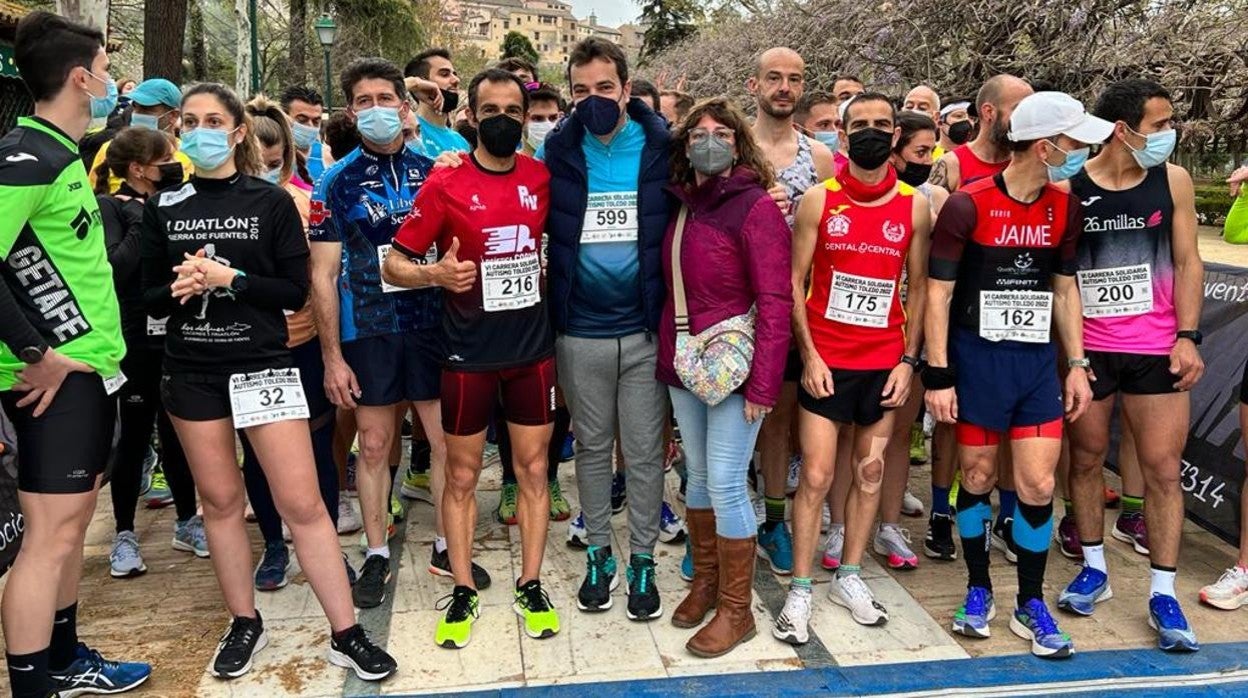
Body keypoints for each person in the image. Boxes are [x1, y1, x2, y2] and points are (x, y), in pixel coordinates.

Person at [140, 81, 396, 681]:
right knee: (222, 502)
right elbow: (148, 295)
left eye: (213, 120)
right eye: (190, 121)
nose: (200, 131)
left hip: (263, 365)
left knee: (304, 502)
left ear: (235, 133)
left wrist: (229, 279)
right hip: (192, 372)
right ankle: (244, 620)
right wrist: (181, 290)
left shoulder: (271, 201)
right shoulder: (165, 206)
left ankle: (345, 631)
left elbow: (294, 289)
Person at [924, 91, 1109, 658]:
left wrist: (1076, 364)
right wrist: (938, 375)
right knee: (976, 477)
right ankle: (978, 590)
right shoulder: (968, 204)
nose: (1081, 151)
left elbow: (1064, 288)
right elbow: (938, 293)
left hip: (1034, 368)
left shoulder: (1065, 206)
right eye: (1074, 141)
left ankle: (1031, 602)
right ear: (1044, 144)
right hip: (977, 363)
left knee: (1036, 485)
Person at [0, 13, 150, 698]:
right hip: (52, 380)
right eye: (103, 64)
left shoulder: (58, 153)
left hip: (87, 371)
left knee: (69, 529)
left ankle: (63, 658)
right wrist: (37, 350)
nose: (110, 78)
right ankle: (33, 683)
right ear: (80, 77)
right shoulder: (27, 157)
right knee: (48, 541)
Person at [386, 67, 561, 648]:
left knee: (534, 471)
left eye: (515, 111)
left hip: (532, 352)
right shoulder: (447, 183)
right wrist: (435, 273)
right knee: (461, 476)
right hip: (467, 353)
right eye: (492, 111)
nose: (505, 121)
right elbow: (394, 263)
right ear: (472, 117)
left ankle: (530, 582)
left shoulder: (541, 176)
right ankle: (461, 587)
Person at [310, 58, 490, 608]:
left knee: (441, 441)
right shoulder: (333, 183)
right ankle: (376, 552)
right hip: (370, 327)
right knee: (377, 445)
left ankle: (443, 543)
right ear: (350, 112)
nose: (375, 111)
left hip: (435, 324)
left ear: (405, 107)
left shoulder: (440, 167)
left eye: (384, 100)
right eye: (362, 103)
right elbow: (322, 275)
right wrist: (332, 358)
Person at [775, 93, 931, 641]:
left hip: (884, 362)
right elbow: (793, 283)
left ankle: (850, 574)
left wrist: (910, 361)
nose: (870, 132)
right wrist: (810, 354)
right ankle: (798, 588)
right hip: (827, 361)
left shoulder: (915, 205)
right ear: (841, 138)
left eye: (880, 125)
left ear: (894, 136)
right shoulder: (819, 200)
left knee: (869, 473)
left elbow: (919, 288)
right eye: (857, 125)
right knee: (816, 476)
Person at [1061, 79, 1203, 652]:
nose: (1170, 133)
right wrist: (1069, 356)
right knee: (1088, 459)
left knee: (1163, 470)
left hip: (1155, 348)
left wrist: (1188, 336)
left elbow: (1190, 261)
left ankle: (1163, 591)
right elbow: (1061, 276)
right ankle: (1094, 567)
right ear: (1124, 129)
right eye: (1162, 122)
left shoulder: (1173, 180)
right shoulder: (1069, 184)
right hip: (1090, 352)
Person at [534, 37, 672, 619]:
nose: (594, 99)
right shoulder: (557, 149)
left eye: (605, 88)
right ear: (570, 93)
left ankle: (642, 558)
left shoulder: (663, 144)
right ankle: (599, 554)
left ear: (626, 88)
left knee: (642, 453)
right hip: (580, 329)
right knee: (591, 449)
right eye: (581, 90)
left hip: (644, 327)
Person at [660, 96, 791, 656]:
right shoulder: (679, 203)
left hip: (736, 368)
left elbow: (777, 299)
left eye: (721, 133)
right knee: (697, 478)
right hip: (685, 364)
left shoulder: (756, 206)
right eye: (697, 134)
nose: (708, 141)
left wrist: (764, 385)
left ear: (738, 144)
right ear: (684, 145)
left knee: (727, 479)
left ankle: (738, 609)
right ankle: (707, 582)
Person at [240, 96, 358, 592]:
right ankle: (273, 545)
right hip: (249, 351)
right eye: (256, 162)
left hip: (304, 343)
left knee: (318, 447)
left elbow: (323, 278)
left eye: (275, 163)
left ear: (287, 157)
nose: (266, 171)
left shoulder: (308, 204)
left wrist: (332, 354)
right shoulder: (223, 208)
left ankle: (325, 546)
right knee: (259, 456)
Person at [94, 127, 205, 579]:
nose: (174, 163)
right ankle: (123, 533)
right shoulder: (110, 209)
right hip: (133, 335)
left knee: (177, 432)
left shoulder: (172, 205)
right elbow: (115, 267)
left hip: (173, 332)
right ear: (139, 168)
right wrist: (143, 217)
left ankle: (186, 520)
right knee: (135, 436)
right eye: (165, 158)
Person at [748, 47, 837, 577]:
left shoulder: (818, 157)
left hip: (793, 307)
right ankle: (717, 519)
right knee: (729, 421)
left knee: (779, 422)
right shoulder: (734, 147)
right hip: (737, 305)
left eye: (795, 79)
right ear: (755, 83)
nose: (784, 87)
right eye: (775, 78)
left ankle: (774, 521)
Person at [89, 77, 194, 193]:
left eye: (146, 109)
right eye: (135, 107)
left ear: (173, 115)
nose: (137, 114)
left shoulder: (189, 153)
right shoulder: (110, 148)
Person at [929, 74, 1032, 192]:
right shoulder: (951, 165)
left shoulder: (1031, 164)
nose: (1027, 118)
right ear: (989, 112)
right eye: (1019, 110)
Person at [404, 48, 470, 157]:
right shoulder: (406, 130)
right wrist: (414, 83)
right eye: (444, 74)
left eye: (454, 74)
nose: (456, 80)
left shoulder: (461, 142)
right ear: (423, 81)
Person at [279, 85, 327, 184]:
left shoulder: (327, 157)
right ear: (284, 117)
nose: (310, 126)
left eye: (316, 121)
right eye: (302, 120)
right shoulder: (272, 157)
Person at [795, 90, 844, 173]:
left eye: (837, 124)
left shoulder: (849, 168)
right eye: (824, 125)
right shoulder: (789, 173)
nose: (835, 131)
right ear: (798, 130)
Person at [522, 84, 564, 156]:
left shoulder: (571, 164)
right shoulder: (506, 165)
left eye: (553, 118)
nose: (547, 124)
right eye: (537, 118)